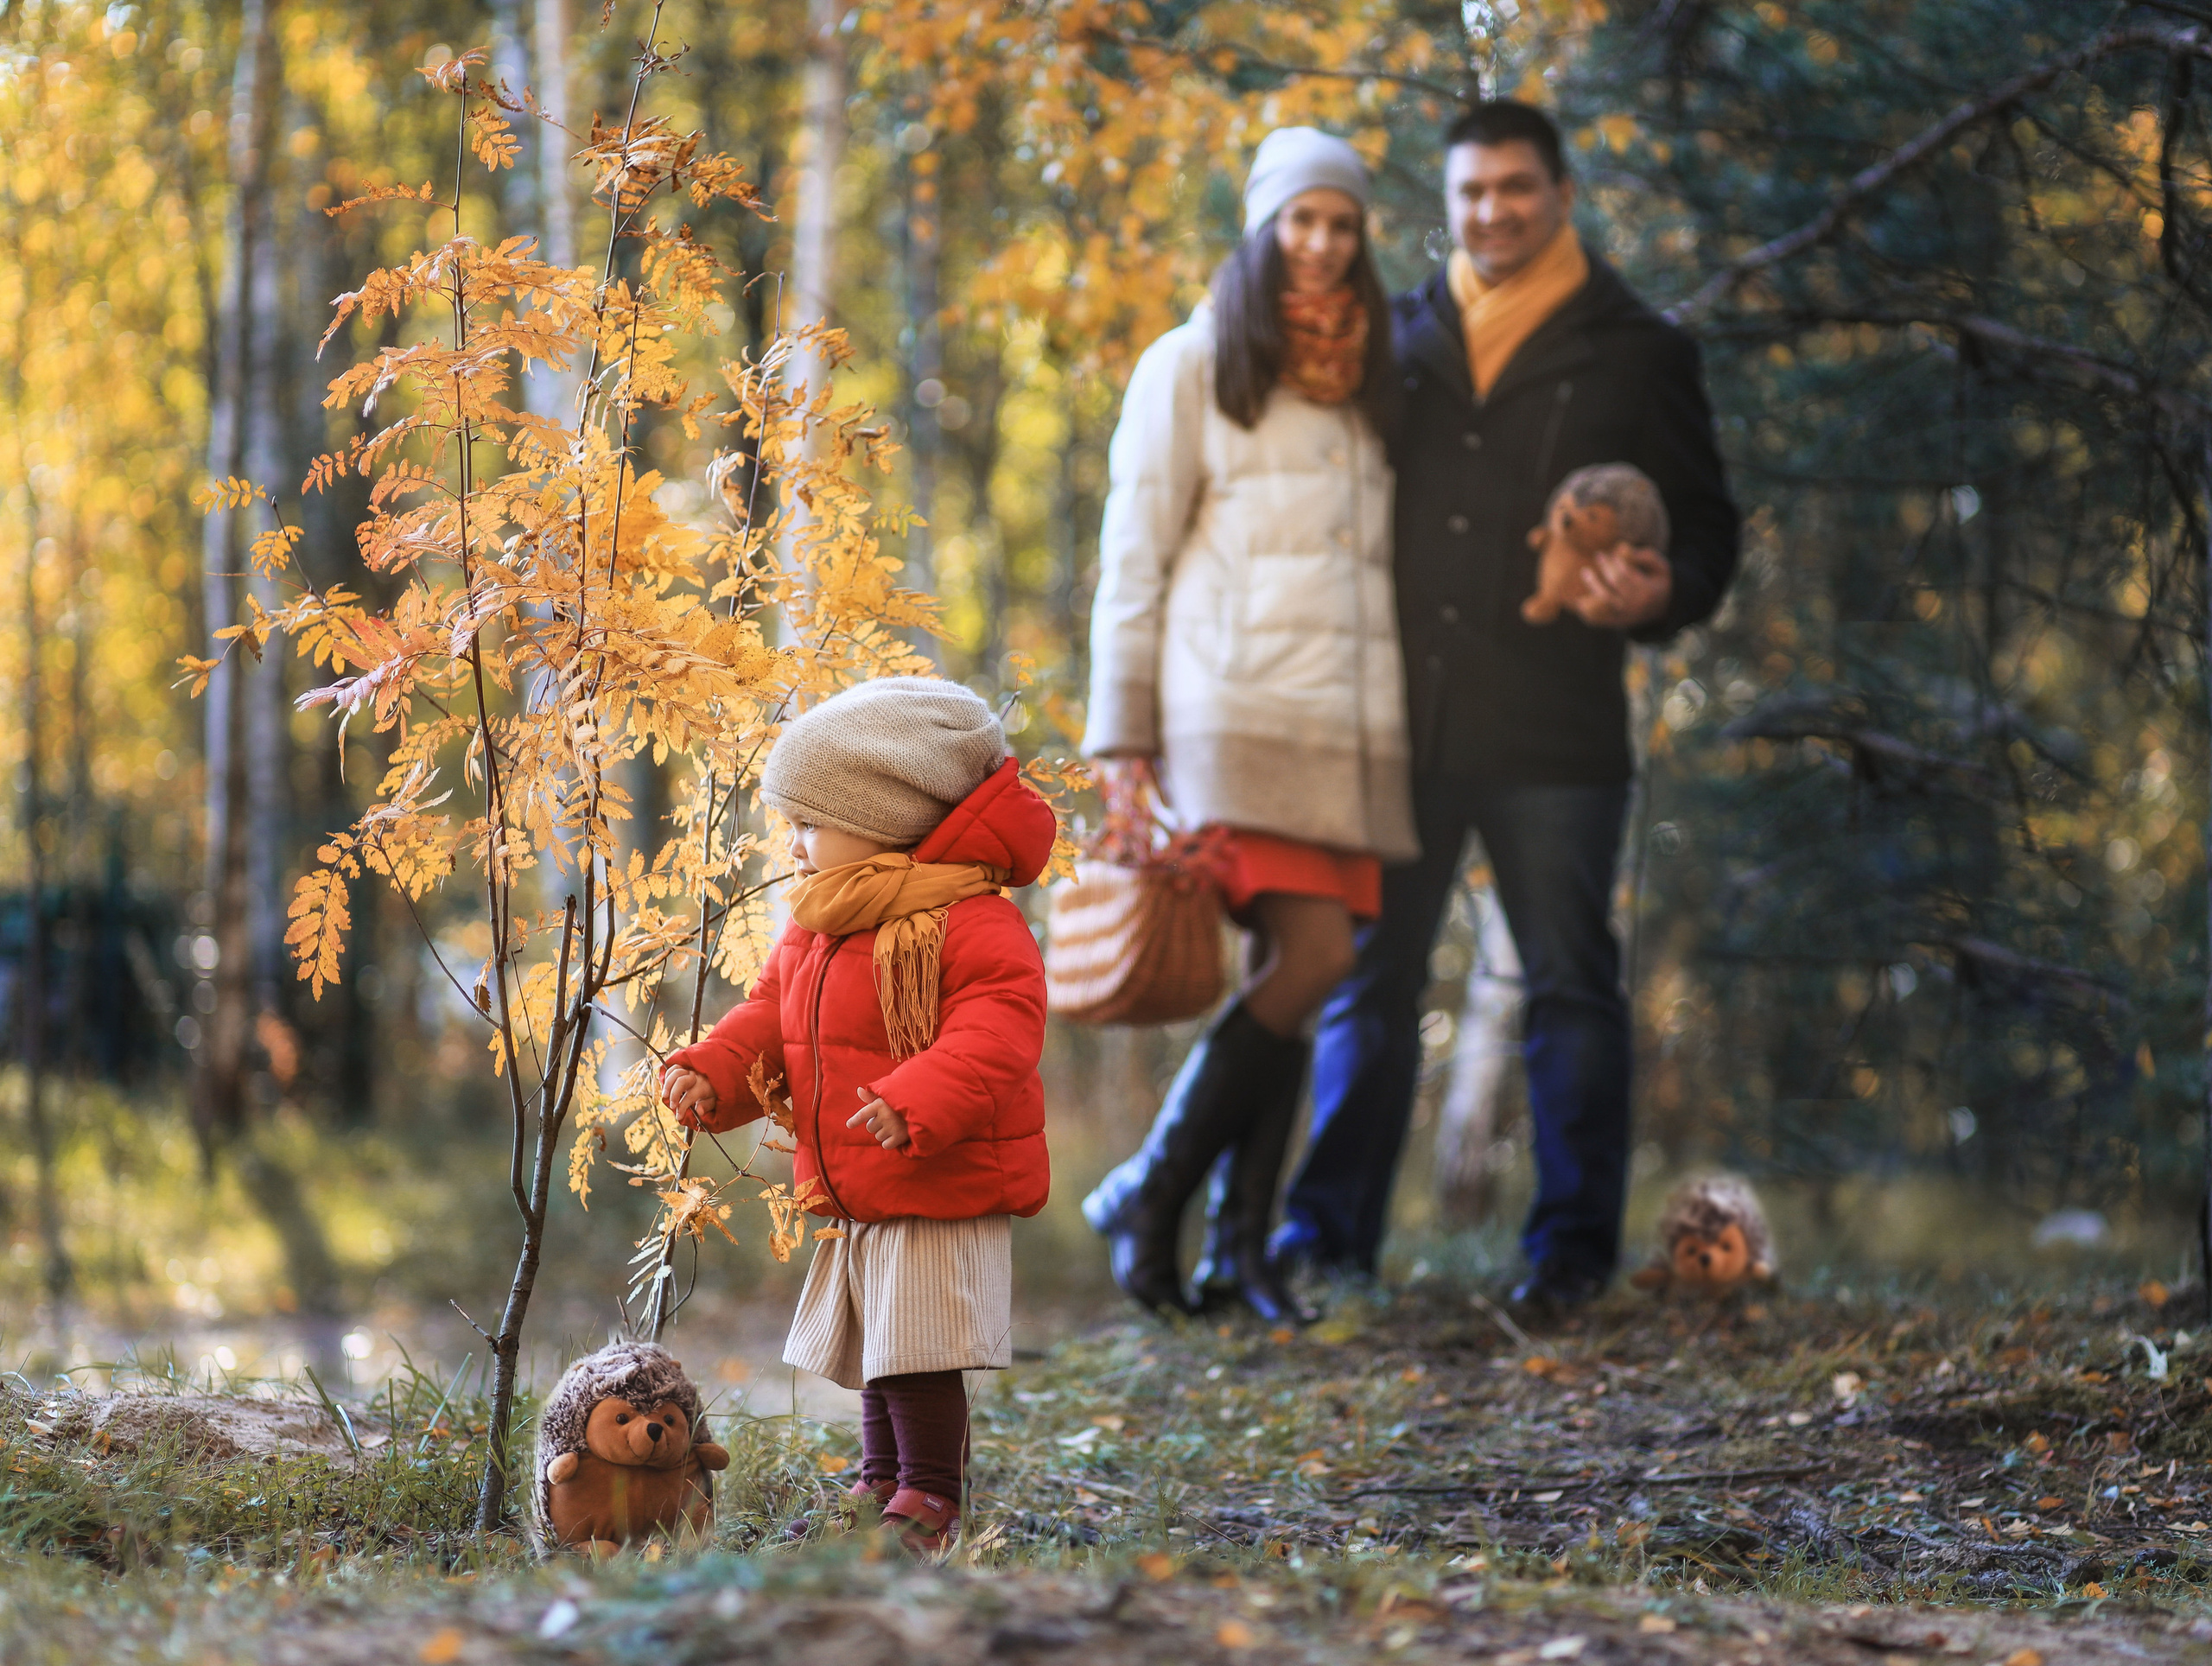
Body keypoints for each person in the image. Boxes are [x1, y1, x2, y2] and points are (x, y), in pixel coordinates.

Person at [1272, 101, 1741, 1313]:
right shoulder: (1404, 331)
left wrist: (1659, 592)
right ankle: (1325, 1250)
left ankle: (1570, 1259)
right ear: (1452, 202)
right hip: (1404, 727)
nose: (1493, 213)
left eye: (1516, 190)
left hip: (1557, 732)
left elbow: (1706, 535)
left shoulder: (1640, 346)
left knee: (1572, 986)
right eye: (1472, 193)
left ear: (1562, 194)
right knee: (1369, 986)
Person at [1079, 127, 1418, 1323]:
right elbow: (1135, 556)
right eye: (1302, 220)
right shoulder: (1188, 363)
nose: (1323, 244)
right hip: (1227, 710)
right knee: (1317, 957)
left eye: (1343, 224)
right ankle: (1147, 1189)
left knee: (1301, 973)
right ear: (1264, 228)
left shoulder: (1374, 376)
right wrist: (1122, 731)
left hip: (1347, 729)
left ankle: (1237, 1253)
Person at [659, 677, 1057, 1552]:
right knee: (881, 1346)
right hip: (860, 1176)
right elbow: (768, 1016)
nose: (795, 845)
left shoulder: (969, 918)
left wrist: (915, 1099)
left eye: (810, 822)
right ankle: (882, 1481)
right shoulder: (820, 921)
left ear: (886, 818)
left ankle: (932, 1495)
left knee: (917, 1349)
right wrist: (714, 1072)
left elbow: (998, 1031)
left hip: (936, 1169)